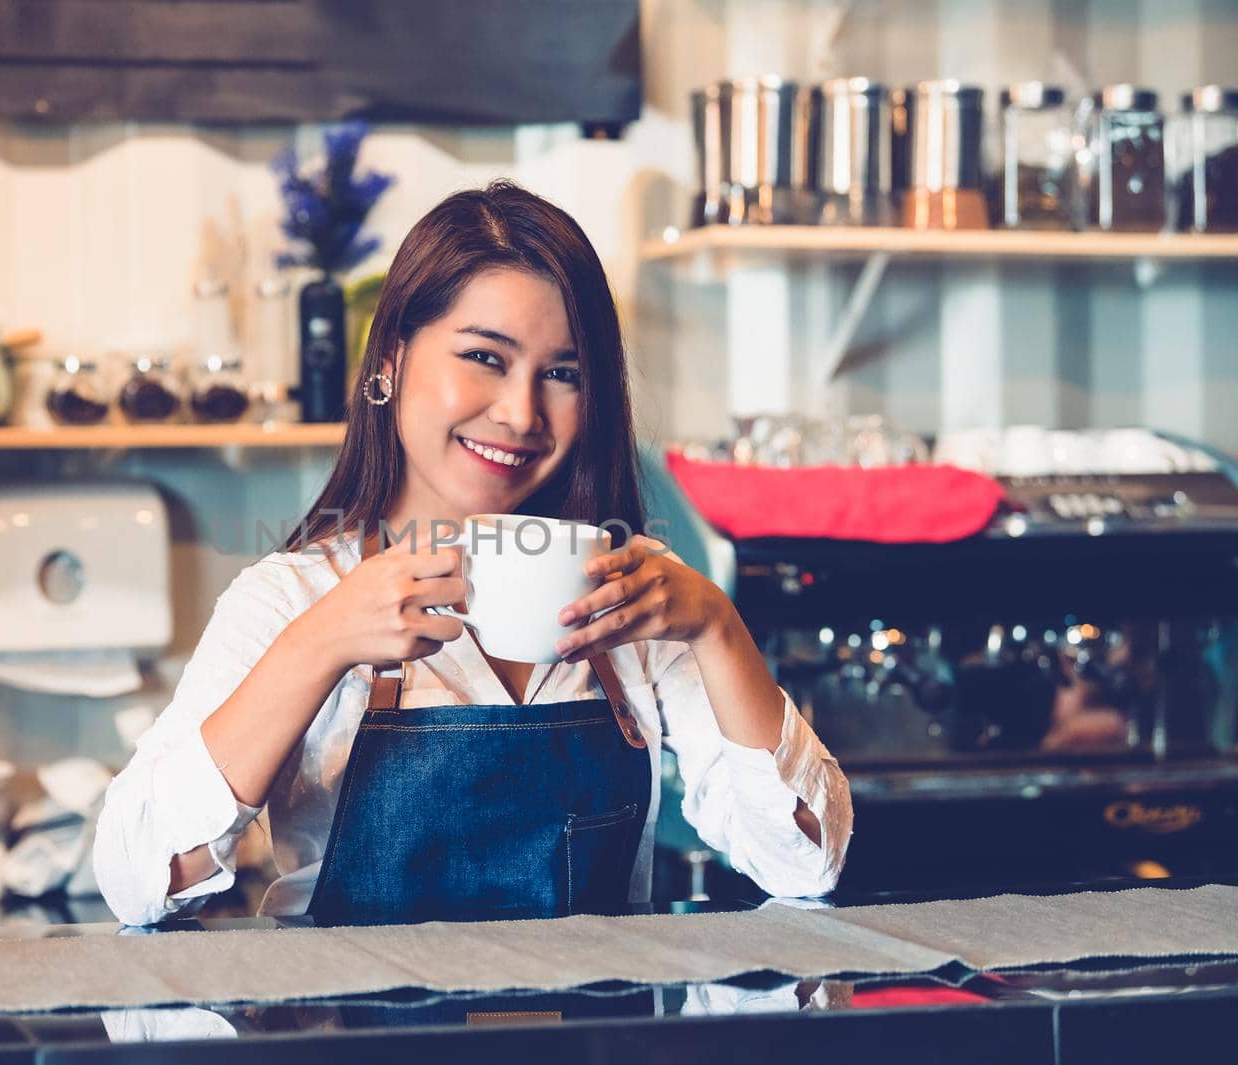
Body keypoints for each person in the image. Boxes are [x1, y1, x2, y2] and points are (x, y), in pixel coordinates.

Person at [94, 181, 852, 926]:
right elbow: (139, 880)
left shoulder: (632, 592)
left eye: (562, 374)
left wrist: (717, 626)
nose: (522, 413)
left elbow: (803, 864)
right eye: (485, 357)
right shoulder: (292, 597)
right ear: (388, 361)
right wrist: (318, 643)